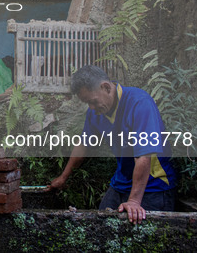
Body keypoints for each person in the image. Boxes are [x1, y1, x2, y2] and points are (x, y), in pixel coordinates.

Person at [49, 65, 176, 224]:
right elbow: (83, 144)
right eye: (87, 103)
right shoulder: (95, 113)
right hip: (121, 183)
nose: (92, 108)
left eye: (93, 101)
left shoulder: (139, 103)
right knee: (98, 227)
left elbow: (143, 156)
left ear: (106, 87)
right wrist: (63, 177)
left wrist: (134, 202)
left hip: (153, 187)